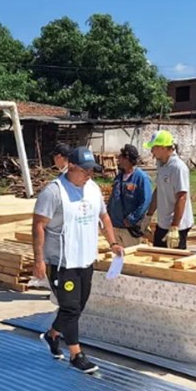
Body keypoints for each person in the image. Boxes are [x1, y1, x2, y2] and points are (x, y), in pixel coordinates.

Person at [33, 146, 125, 374]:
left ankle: (52, 335)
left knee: (78, 306)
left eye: (91, 171)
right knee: (71, 308)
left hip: (86, 259)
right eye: (84, 171)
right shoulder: (54, 192)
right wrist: (39, 259)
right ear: (71, 167)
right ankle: (76, 355)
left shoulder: (92, 189)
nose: (88, 175)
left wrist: (113, 243)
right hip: (63, 261)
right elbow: (38, 225)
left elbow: (103, 216)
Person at [144, 130, 194, 249]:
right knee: (158, 254)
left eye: (153, 148)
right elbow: (158, 190)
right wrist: (148, 215)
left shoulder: (178, 168)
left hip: (177, 225)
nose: (151, 152)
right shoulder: (161, 165)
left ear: (162, 148)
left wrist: (175, 226)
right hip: (163, 223)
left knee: (174, 260)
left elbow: (182, 197)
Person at [107, 144, 153, 248]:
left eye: (121, 157)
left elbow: (145, 201)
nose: (119, 160)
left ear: (127, 158)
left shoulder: (141, 178)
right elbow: (113, 197)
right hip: (115, 225)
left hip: (129, 228)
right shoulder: (119, 177)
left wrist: (132, 218)